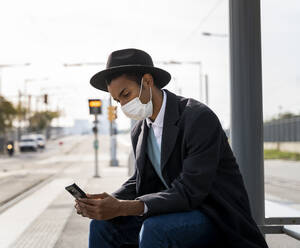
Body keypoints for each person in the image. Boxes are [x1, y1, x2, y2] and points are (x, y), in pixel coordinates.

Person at [75, 48, 269, 248]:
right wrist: (105, 203)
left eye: (126, 94)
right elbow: (139, 181)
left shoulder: (197, 118)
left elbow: (190, 190)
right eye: (118, 100)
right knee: (102, 227)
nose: (124, 105)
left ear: (148, 82)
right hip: (173, 210)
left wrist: (122, 207)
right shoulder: (140, 130)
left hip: (213, 214)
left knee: (156, 229)